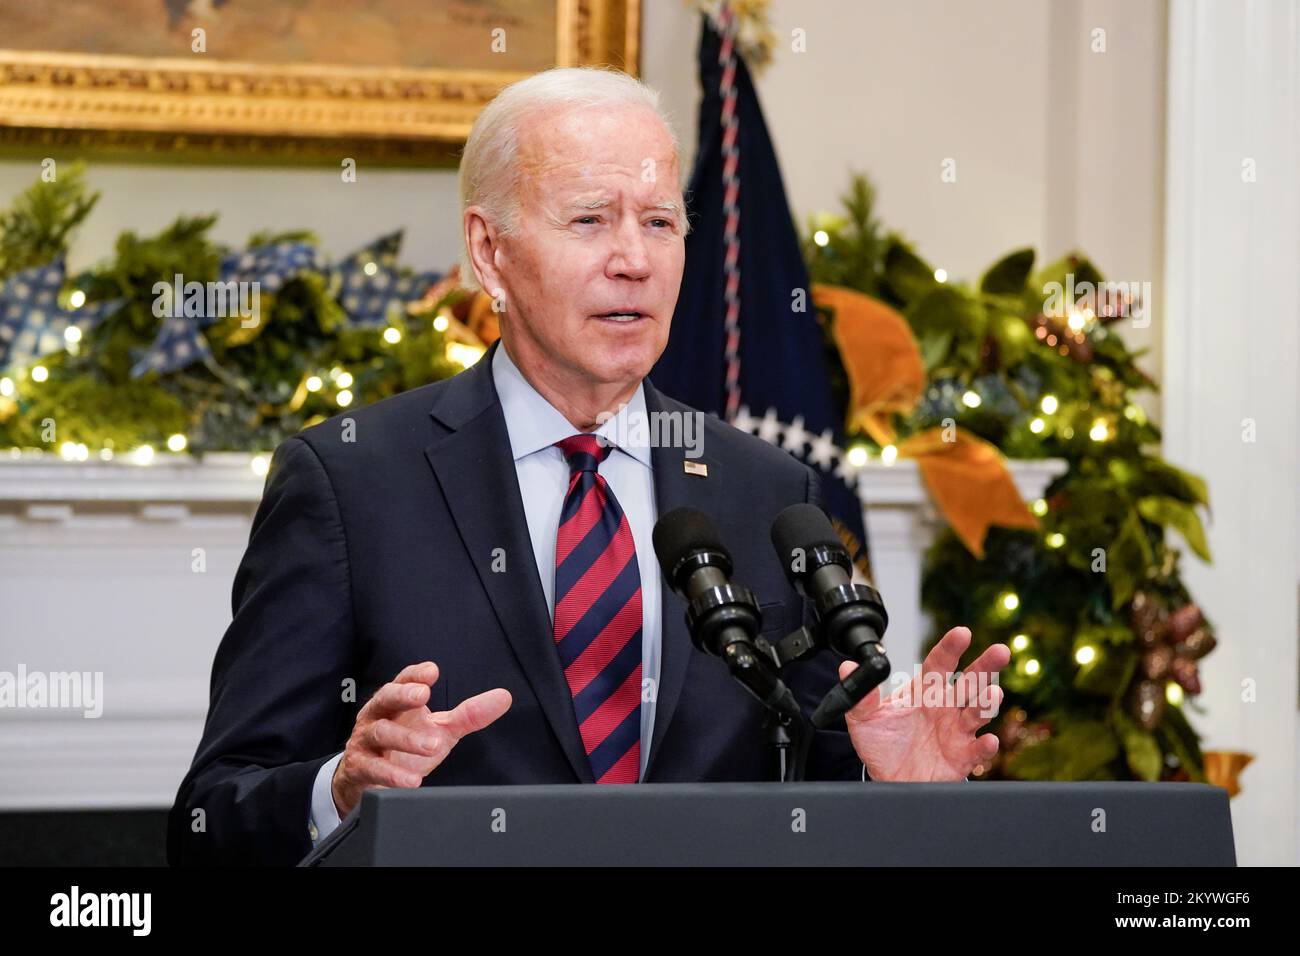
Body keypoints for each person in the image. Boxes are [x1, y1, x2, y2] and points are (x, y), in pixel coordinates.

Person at [167, 67, 1009, 867]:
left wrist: (885, 786)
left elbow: (800, 792)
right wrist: (342, 791)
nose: (634, 260)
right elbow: (211, 819)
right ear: (489, 252)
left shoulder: (767, 490)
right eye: (589, 220)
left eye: (660, 221)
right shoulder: (349, 483)